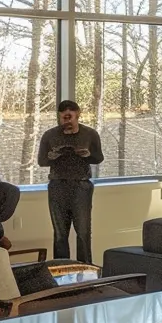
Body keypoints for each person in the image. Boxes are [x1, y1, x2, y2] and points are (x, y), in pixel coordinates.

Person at [38, 100, 103, 264]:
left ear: (77, 114)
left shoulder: (90, 134)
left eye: (70, 117)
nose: (67, 121)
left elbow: (99, 158)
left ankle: (86, 269)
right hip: (57, 185)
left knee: (83, 232)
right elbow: (41, 161)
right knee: (60, 233)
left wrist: (87, 155)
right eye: (63, 117)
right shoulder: (50, 135)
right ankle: (62, 270)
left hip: (81, 186)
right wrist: (51, 157)